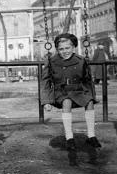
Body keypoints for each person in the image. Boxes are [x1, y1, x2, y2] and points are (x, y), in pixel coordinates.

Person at [41, 33, 101, 166]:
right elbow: (45, 82)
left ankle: (91, 136)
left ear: (73, 47)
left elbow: (87, 80)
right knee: (66, 102)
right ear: (57, 50)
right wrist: (46, 101)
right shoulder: (52, 62)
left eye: (67, 48)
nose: (65, 51)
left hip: (78, 90)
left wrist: (92, 96)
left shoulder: (80, 60)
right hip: (62, 92)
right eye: (61, 49)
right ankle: (69, 138)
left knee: (89, 101)